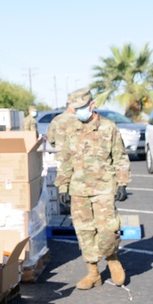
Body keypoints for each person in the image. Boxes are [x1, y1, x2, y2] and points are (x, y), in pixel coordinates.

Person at [54, 89, 131, 289]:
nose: (79, 112)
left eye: (82, 108)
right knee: (84, 231)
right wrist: (63, 186)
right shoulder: (71, 129)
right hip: (78, 188)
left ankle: (112, 258)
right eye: (75, 108)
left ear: (92, 105)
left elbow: (120, 156)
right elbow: (65, 159)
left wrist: (123, 182)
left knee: (108, 229)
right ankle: (93, 272)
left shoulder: (108, 127)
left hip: (104, 187)